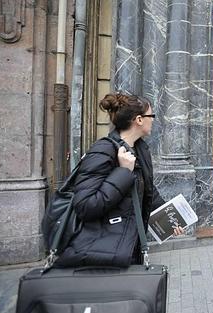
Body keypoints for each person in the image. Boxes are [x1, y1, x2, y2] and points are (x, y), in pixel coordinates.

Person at [56, 93, 184, 267]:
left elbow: (147, 192)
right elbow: (85, 206)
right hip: (103, 251)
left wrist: (170, 219)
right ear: (139, 119)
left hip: (129, 244)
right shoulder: (102, 150)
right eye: (151, 116)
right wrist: (123, 173)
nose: (153, 120)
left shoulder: (140, 149)